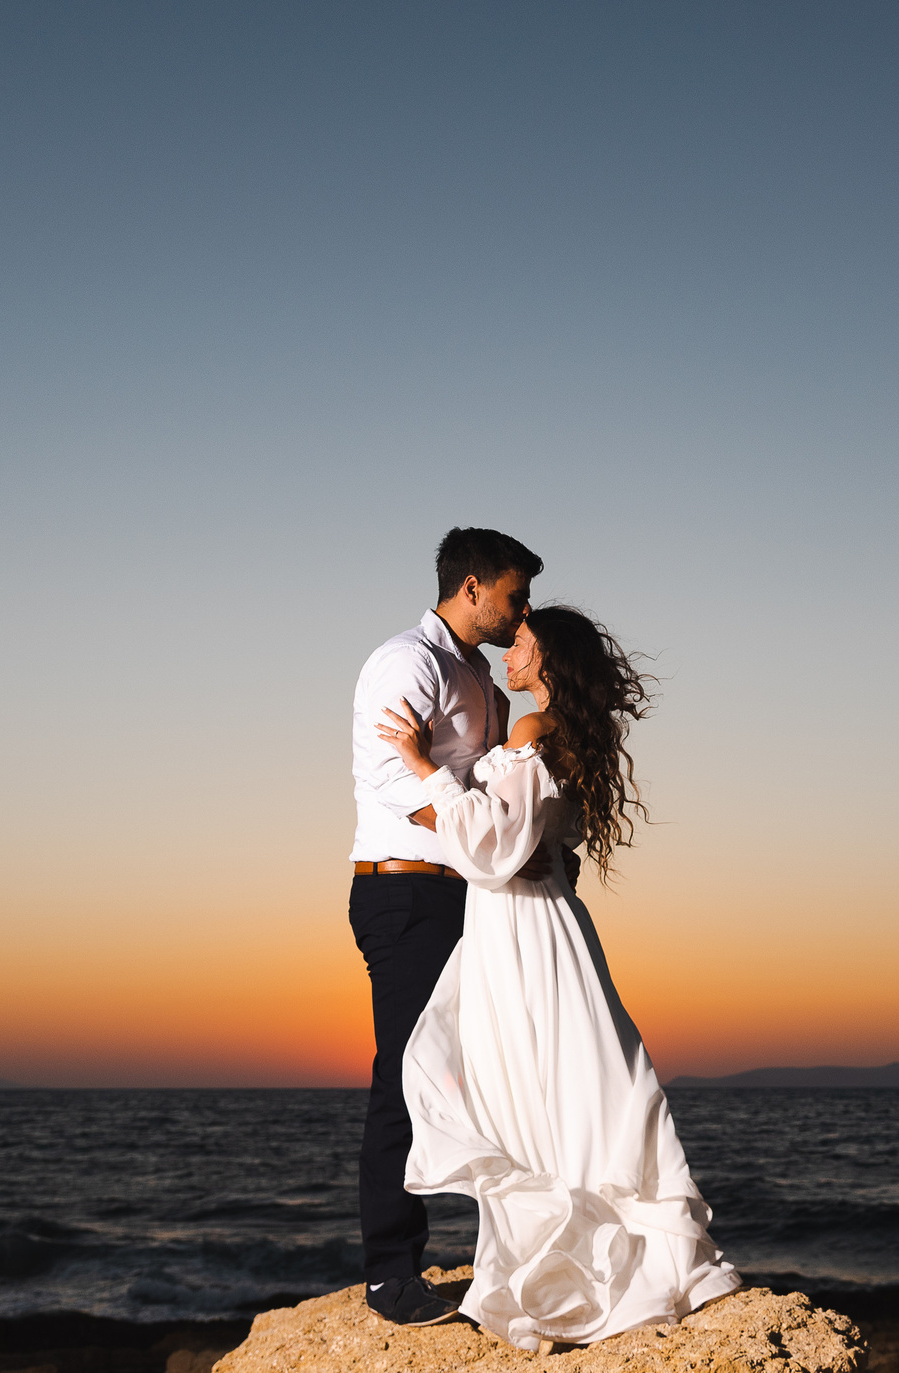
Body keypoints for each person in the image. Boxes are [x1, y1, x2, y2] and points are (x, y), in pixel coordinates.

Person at [375, 604, 741, 1350]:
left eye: (524, 645)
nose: (511, 653)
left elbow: (488, 853)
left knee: (528, 1089)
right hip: (548, 921)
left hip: (518, 928)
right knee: (576, 1083)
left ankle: (562, 1272)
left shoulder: (531, 730)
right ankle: (586, 1259)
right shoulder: (564, 732)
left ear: (549, 659)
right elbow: (547, 843)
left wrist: (424, 769)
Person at [347, 526, 546, 1328]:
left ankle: (501, 1249)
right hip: (406, 893)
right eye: (513, 594)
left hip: (466, 894)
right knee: (406, 1071)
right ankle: (389, 1275)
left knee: (483, 1076)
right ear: (471, 587)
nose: (521, 609)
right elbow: (395, 777)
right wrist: (478, 840)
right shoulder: (407, 660)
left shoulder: (483, 682)